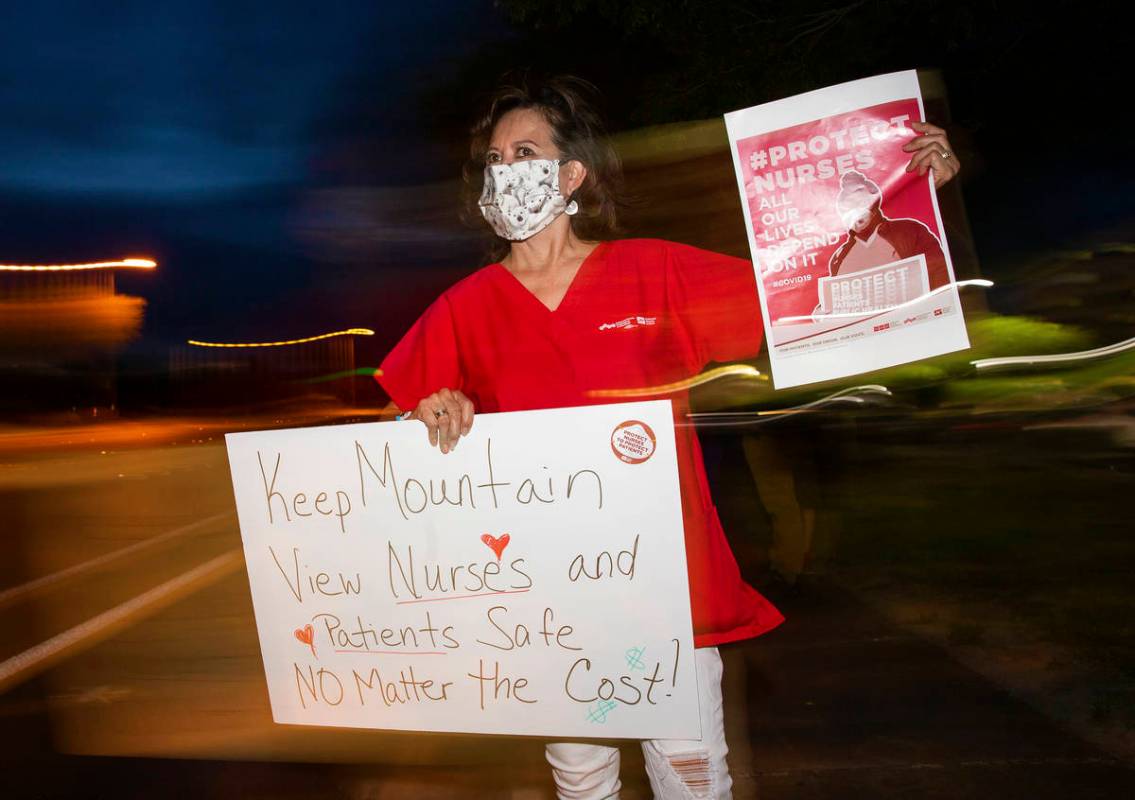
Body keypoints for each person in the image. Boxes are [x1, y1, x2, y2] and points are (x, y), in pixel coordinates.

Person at [376, 75, 960, 800]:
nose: (503, 170)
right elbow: (398, 447)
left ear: (570, 173)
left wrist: (908, 192)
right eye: (493, 158)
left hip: (663, 577)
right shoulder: (462, 309)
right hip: (545, 591)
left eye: (522, 151)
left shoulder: (653, 271)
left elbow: (806, 292)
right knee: (580, 779)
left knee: (690, 776)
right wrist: (431, 415)